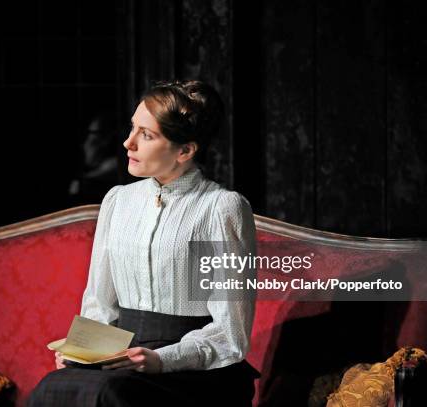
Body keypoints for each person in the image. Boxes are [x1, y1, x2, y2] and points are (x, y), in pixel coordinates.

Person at [27, 80, 259, 406]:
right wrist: (81, 350)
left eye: (146, 135)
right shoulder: (117, 201)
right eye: (133, 128)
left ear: (185, 150)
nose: (128, 143)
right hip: (122, 360)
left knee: (110, 394)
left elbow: (230, 333)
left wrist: (162, 359)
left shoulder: (222, 208)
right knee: (53, 387)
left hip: (194, 373)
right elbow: (99, 303)